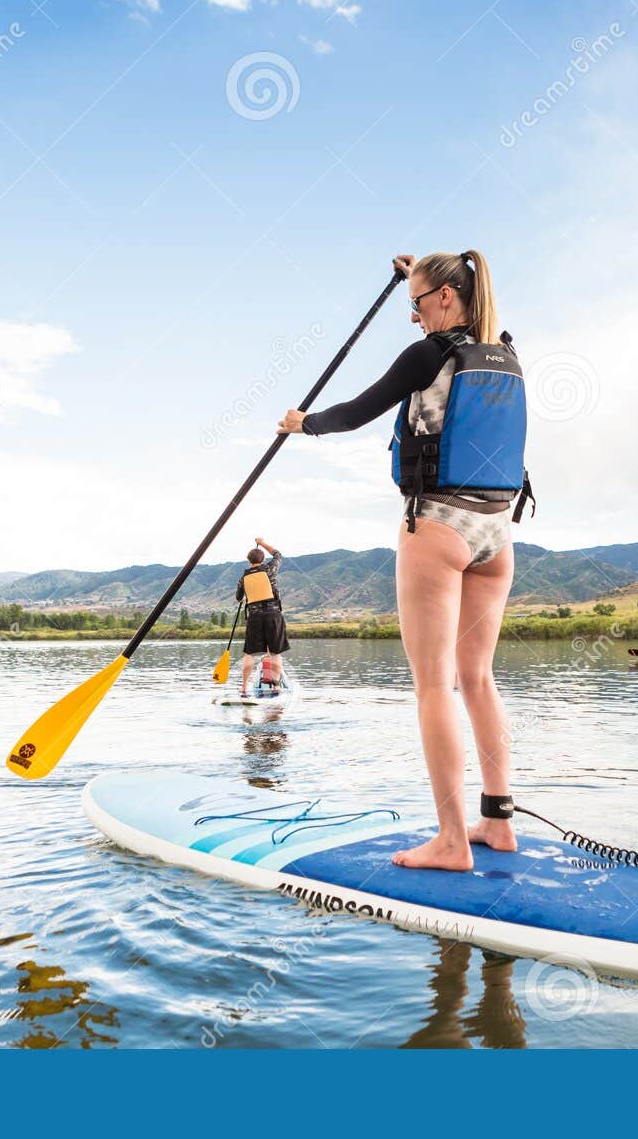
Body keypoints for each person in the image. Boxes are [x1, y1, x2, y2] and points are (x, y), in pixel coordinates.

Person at [277, 251, 532, 871]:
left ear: (446, 297)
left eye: (416, 304)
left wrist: (303, 423)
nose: (412, 318)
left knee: (432, 686)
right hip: (498, 535)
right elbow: (473, 304)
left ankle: (450, 841)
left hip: (439, 528)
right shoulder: (506, 352)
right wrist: (423, 271)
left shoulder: (428, 355)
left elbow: (359, 410)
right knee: (478, 679)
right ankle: (496, 824)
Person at [235, 537, 288, 697]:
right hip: (273, 616)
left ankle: (244, 687)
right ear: (263, 559)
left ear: (248, 561)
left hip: (255, 618)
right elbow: (278, 555)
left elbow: (238, 598)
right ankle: (276, 687)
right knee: (275, 653)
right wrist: (262, 542)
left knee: (249, 654)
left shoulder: (243, 578)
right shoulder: (270, 569)